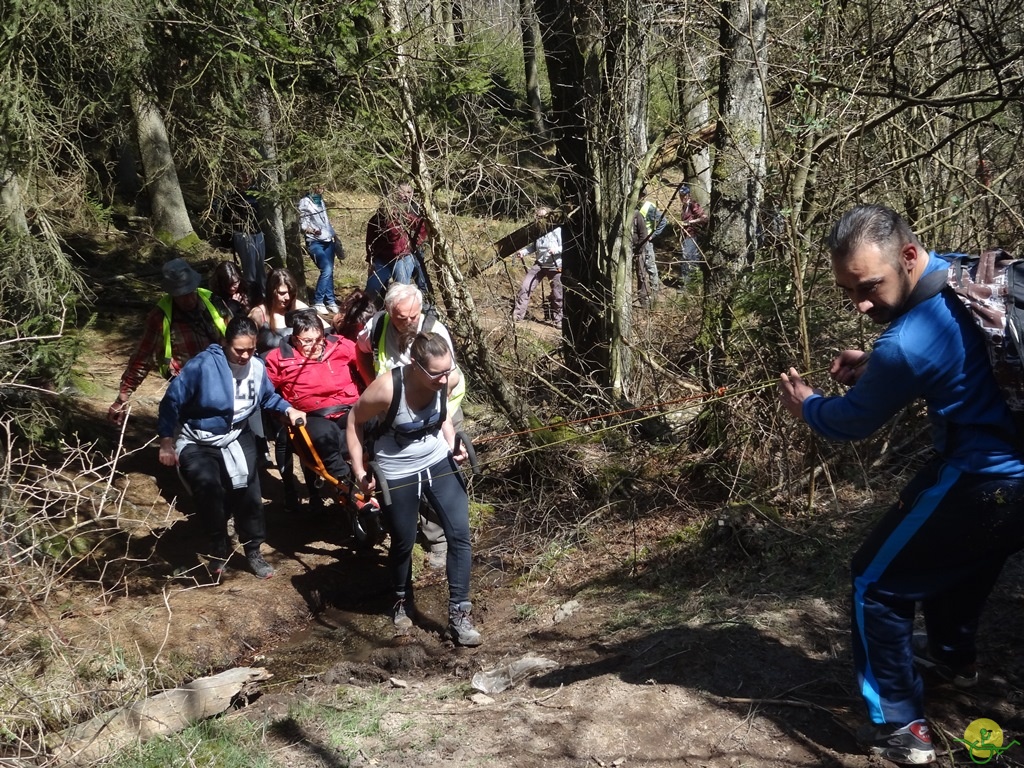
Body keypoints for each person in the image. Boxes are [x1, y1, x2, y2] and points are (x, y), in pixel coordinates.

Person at [778, 204, 1024, 766]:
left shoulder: (906, 343)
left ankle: (901, 727)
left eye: (869, 287)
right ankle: (954, 665)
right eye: (848, 292)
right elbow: (958, 357)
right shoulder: (970, 275)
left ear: (909, 257)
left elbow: (850, 423)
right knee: (962, 562)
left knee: (874, 582)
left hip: (981, 478)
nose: (861, 304)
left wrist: (808, 405)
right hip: (1016, 484)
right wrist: (877, 365)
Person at [346, 331, 481, 646]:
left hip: (436, 460)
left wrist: (452, 446)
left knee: (459, 534)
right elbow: (354, 420)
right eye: (436, 373)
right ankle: (400, 597)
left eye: (448, 370)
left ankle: (460, 614)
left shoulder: (445, 379)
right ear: (415, 366)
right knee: (404, 540)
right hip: (396, 470)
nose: (444, 378)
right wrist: (359, 470)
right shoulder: (387, 388)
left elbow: (442, 414)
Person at [157, 316, 304, 580]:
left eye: (250, 349)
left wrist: (288, 408)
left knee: (249, 491)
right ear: (225, 343)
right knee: (209, 489)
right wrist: (166, 440)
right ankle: (218, 544)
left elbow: (268, 396)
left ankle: (253, 549)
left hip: (237, 434)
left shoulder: (257, 367)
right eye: (239, 350)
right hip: (199, 438)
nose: (245, 356)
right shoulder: (202, 366)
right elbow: (171, 401)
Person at [357, 283, 466, 567]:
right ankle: (404, 529)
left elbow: (448, 379)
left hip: (439, 405)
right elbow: (360, 351)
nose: (408, 323)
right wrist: (375, 387)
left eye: (413, 316)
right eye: (401, 318)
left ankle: (438, 538)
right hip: (394, 413)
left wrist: (442, 420)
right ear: (389, 311)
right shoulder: (377, 325)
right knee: (402, 472)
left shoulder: (435, 331)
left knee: (437, 473)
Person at [108, 257, 232, 425]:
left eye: (190, 292)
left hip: (224, 378)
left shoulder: (213, 301)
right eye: (182, 295)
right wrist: (123, 396)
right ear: (172, 294)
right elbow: (142, 358)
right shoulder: (160, 317)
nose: (188, 299)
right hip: (189, 387)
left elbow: (237, 335)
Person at [265, 310, 363, 511]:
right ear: (295, 339)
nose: (315, 346)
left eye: (319, 339)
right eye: (307, 341)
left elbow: (365, 365)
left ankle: (376, 474)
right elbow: (266, 394)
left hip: (349, 406)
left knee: (373, 423)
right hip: (313, 415)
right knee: (325, 435)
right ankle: (346, 483)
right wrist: (284, 411)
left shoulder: (341, 345)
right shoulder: (279, 359)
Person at [365, 183, 428, 302]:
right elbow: (370, 242)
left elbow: (422, 227)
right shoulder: (376, 219)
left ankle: (403, 313)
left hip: (401, 258)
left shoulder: (402, 217)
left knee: (401, 293)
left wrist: (415, 243)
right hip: (381, 260)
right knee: (371, 290)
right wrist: (370, 259)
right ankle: (365, 315)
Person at [511, 207, 563, 326]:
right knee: (525, 287)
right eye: (538, 217)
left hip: (555, 265)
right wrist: (523, 252)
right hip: (539, 264)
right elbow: (533, 247)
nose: (540, 219)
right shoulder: (538, 231)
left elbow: (565, 246)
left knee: (558, 294)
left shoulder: (557, 230)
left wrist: (556, 250)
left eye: (542, 217)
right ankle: (517, 316)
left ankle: (559, 321)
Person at [223, 176, 266, 305]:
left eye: (248, 176)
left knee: (260, 268)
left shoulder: (257, 193)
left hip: (258, 233)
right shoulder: (233, 196)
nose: (245, 179)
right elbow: (227, 217)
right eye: (242, 176)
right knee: (250, 269)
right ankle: (250, 298)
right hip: (243, 234)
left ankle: (263, 296)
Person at [298, 185, 340, 315]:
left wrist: (335, 236)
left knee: (330, 272)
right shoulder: (305, 202)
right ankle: (318, 301)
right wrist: (313, 231)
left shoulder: (320, 200)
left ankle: (331, 301)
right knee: (326, 269)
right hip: (315, 242)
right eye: (319, 187)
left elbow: (326, 222)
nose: (322, 189)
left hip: (328, 240)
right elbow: (303, 225)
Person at [249, 268, 311, 354]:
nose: (288, 298)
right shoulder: (259, 314)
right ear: (271, 291)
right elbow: (243, 341)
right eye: (282, 293)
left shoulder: (297, 306)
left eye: (290, 292)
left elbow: (324, 328)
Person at [675, 184, 708, 277]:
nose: (682, 198)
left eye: (684, 196)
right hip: (685, 236)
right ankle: (689, 282)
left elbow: (704, 218)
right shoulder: (684, 207)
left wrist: (690, 222)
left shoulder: (693, 205)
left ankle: (689, 282)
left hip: (693, 236)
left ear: (688, 195)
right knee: (688, 258)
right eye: (680, 196)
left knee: (689, 259)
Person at [639, 195, 667, 291]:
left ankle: (655, 291)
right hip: (638, 241)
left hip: (646, 241)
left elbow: (663, 221)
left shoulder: (648, 207)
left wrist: (653, 235)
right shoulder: (635, 207)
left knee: (650, 265)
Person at [630, 210, 653, 308]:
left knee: (641, 274)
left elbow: (644, 234)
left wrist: (638, 249)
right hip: (627, 250)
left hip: (639, 249)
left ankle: (643, 300)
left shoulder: (636, 215)